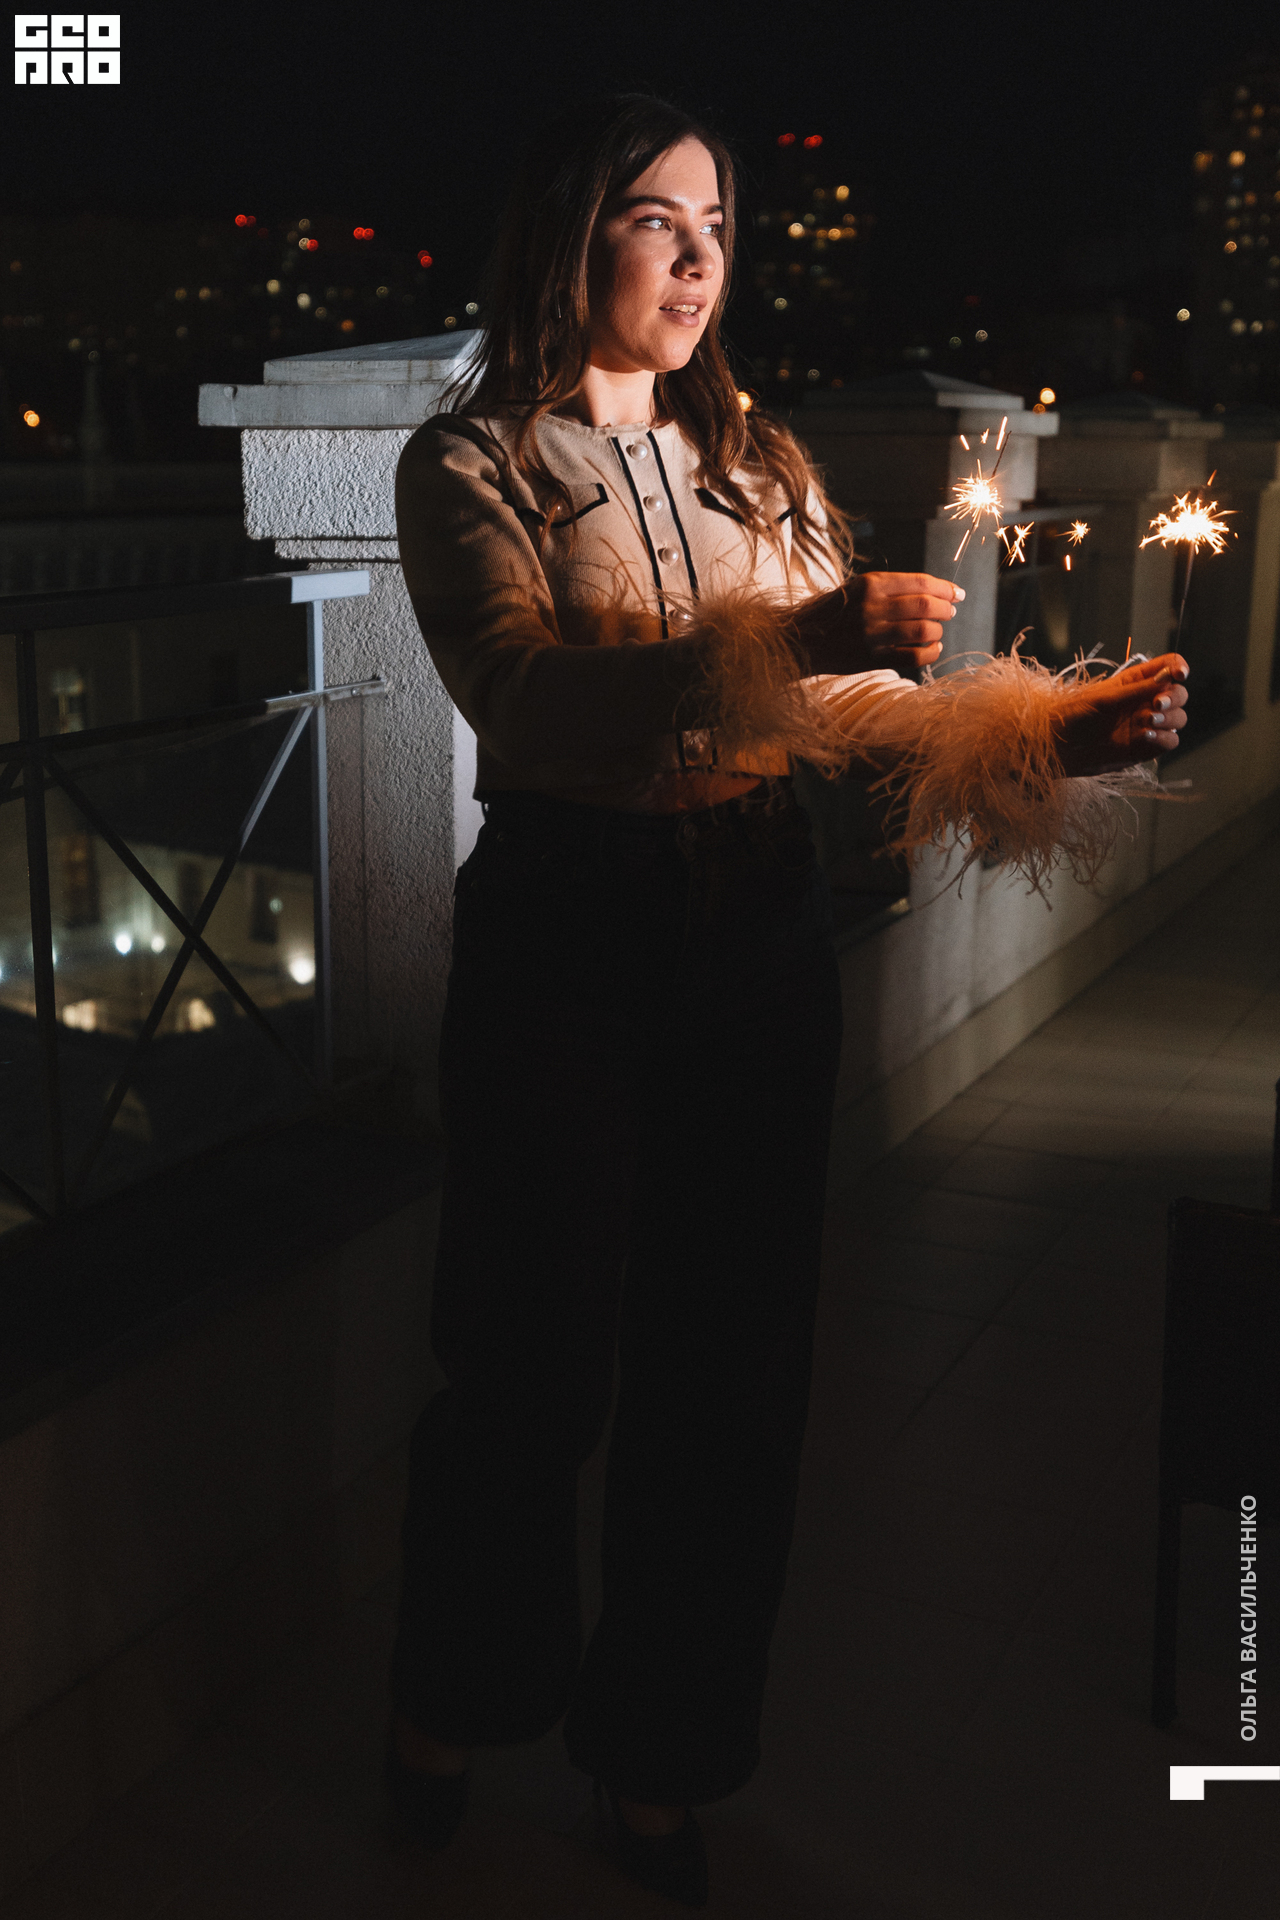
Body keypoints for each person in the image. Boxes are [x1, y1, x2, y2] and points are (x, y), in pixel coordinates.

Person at [386, 95, 1188, 1907]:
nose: (698, 262)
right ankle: (451, 1702)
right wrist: (795, 639)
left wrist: (1056, 732)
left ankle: (658, 1755)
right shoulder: (472, 463)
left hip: (750, 924)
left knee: (729, 1366)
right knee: (525, 1353)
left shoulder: (756, 464)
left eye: (721, 229)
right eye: (656, 220)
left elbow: (841, 714)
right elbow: (525, 700)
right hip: (567, 926)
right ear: (570, 231)